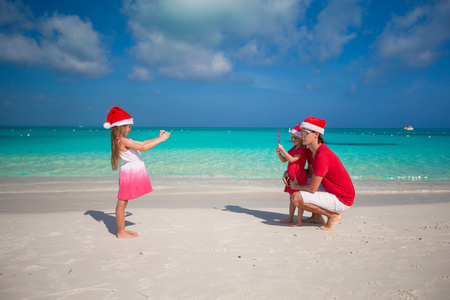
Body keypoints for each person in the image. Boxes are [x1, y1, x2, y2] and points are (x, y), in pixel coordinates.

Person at [104, 106, 171, 238]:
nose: (130, 129)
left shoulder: (124, 139)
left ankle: (121, 230)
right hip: (129, 174)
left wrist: (156, 137)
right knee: (122, 203)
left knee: (123, 203)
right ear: (121, 126)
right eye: (129, 126)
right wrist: (161, 140)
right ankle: (120, 232)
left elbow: (142, 143)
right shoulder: (122, 140)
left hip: (131, 172)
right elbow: (143, 147)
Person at [285, 116, 355, 231]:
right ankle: (316, 217)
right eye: (300, 132)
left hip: (342, 198)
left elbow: (312, 189)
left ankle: (333, 216)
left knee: (296, 197)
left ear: (316, 134)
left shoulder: (322, 155)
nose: (301, 135)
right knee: (299, 179)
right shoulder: (311, 151)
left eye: (304, 132)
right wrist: (288, 172)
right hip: (331, 190)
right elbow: (310, 174)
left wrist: (297, 186)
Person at [276, 125, 308, 226]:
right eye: (291, 138)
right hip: (292, 176)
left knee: (298, 199)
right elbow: (284, 160)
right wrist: (279, 153)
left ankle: (299, 220)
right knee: (291, 198)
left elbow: (292, 159)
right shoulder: (294, 148)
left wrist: (283, 150)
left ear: (301, 138)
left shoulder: (302, 150)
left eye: (295, 138)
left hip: (299, 176)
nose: (292, 140)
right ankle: (290, 218)